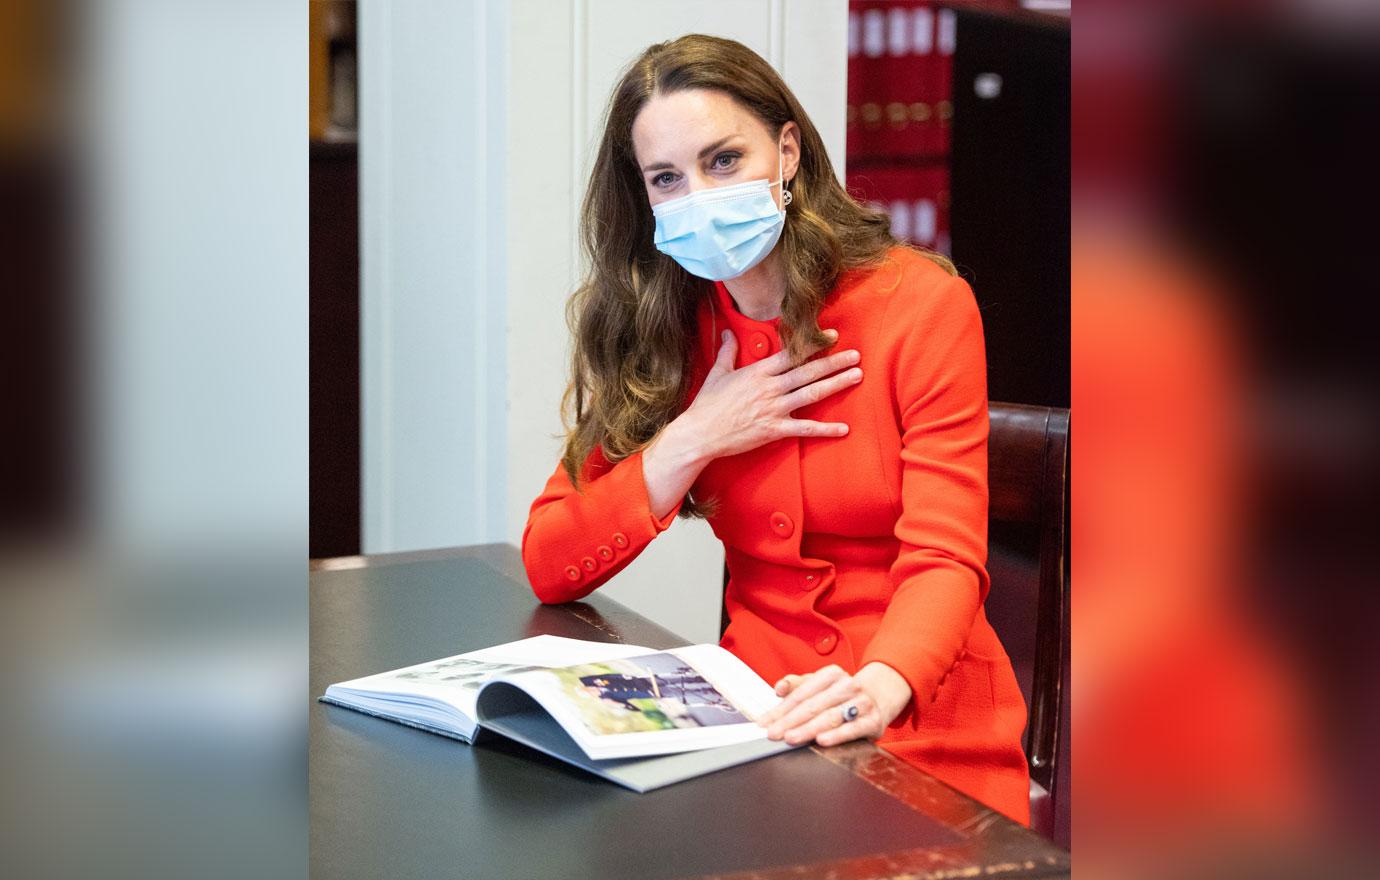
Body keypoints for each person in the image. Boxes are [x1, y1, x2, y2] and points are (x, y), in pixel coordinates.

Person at [520, 34, 1029, 824]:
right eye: (666, 178)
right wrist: (693, 437)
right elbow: (551, 562)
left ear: (786, 151)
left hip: (923, 722)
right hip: (753, 730)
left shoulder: (919, 304)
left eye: (723, 161)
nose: (697, 195)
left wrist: (880, 686)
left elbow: (946, 556)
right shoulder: (666, 329)